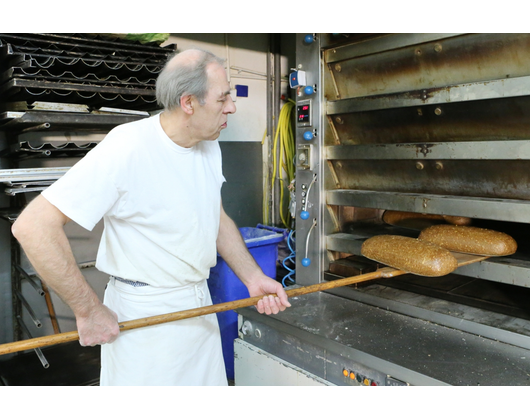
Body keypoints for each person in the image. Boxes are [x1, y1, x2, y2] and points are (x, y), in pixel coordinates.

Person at [11, 48, 291, 386]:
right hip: (145, 318)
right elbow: (33, 226)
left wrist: (251, 276)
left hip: (199, 305)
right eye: (222, 98)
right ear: (189, 103)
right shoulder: (128, 147)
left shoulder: (208, 143)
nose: (231, 106)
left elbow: (214, 217)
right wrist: (88, 310)